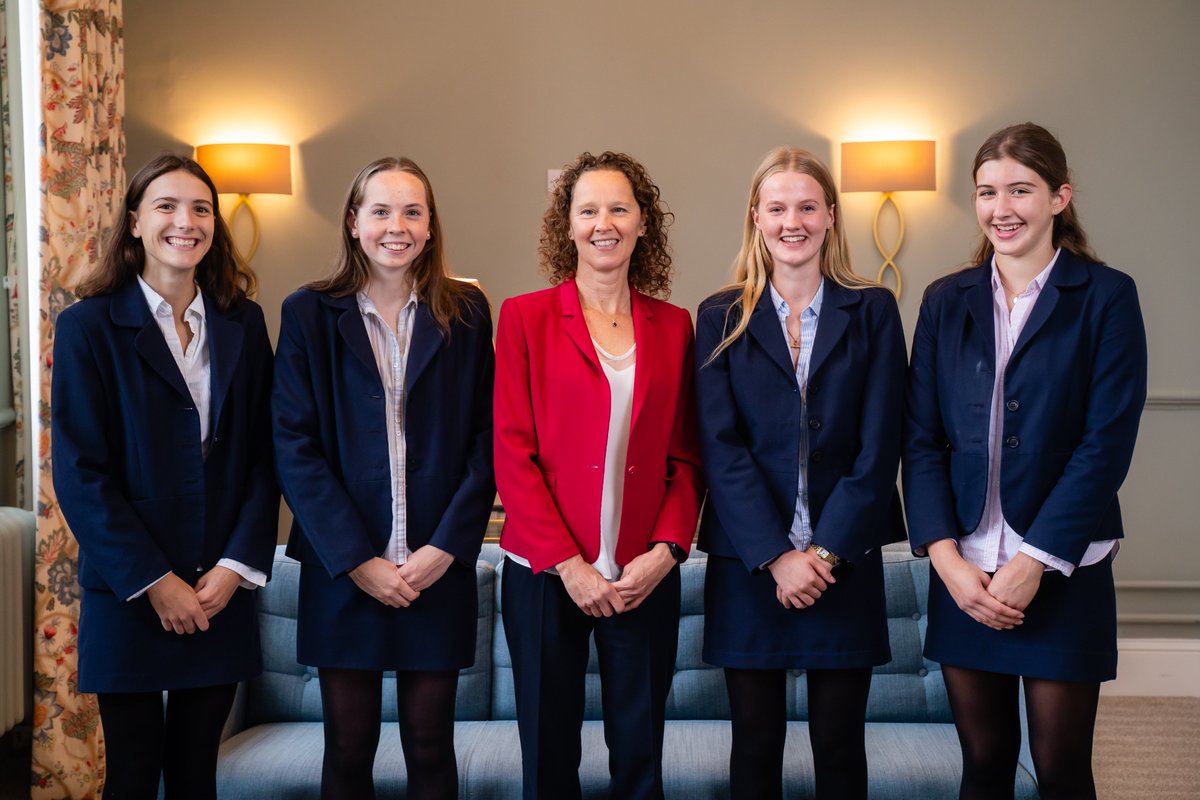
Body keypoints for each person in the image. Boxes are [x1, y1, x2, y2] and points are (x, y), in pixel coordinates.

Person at [903, 122, 1147, 800]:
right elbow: (921, 439)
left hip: (1064, 567)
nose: (1001, 208)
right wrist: (948, 563)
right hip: (964, 576)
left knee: (1062, 768)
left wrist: (1034, 561)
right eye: (986, 192)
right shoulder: (944, 300)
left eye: (1020, 190)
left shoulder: (1106, 297)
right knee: (982, 765)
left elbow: (1106, 443)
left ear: (1059, 197)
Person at [51, 154, 278, 800]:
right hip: (129, 592)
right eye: (167, 207)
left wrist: (235, 567)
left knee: (195, 775)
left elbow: (265, 457)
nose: (187, 221)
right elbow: (80, 471)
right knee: (130, 774)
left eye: (201, 208)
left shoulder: (244, 322)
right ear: (134, 223)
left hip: (219, 588)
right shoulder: (87, 327)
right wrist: (155, 582)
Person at [272, 157, 495, 800]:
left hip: (436, 567)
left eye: (412, 211)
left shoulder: (469, 312)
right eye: (380, 210)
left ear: (429, 227)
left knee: (431, 746)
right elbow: (295, 447)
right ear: (353, 221)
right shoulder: (309, 313)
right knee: (347, 747)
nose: (396, 226)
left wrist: (444, 550)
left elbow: (487, 442)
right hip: (346, 572)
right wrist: (358, 560)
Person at [694, 146, 907, 800]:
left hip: (843, 560)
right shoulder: (719, 315)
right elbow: (721, 450)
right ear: (756, 216)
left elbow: (880, 448)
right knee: (754, 745)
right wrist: (777, 558)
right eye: (778, 206)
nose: (794, 220)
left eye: (807, 206)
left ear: (831, 217)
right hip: (750, 565)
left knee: (839, 746)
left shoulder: (872, 311)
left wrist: (820, 553)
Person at [493, 151, 704, 800]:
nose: (603, 223)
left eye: (619, 208)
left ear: (645, 223)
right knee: (549, 761)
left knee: (640, 759)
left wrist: (665, 553)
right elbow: (511, 451)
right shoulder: (525, 317)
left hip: (643, 576)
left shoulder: (674, 326)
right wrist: (569, 564)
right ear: (568, 226)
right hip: (545, 576)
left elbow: (686, 458)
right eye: (588, 210)